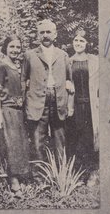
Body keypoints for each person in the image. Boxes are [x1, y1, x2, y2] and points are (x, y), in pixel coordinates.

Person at [21, 19, 74, 165]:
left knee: (60, 139)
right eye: (42, 32)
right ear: (37, 36)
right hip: (37, 101)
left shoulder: (63, 55)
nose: (45, 35)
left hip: (58, 100)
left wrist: (69, 105)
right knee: (38, 140)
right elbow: (23, 80)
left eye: (48, 32)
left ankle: (60, 176)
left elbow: (70, 81)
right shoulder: (29, 55)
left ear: (55, 34)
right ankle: (40, 178)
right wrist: (24, 102)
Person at [0, 36, 30, 187]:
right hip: (7, 110)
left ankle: (21, 176)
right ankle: (13, 179)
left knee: (21, 144)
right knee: (11, 144)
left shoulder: (18, 66)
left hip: (19, 111)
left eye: (17, 47)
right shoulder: (1, 66)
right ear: (5, 48)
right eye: (11, 47)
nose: (15, 50)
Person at [66, 29, 99, 185]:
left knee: (90, 140)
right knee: (75, 139)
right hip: (74, 105)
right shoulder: (68, 60)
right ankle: (78, 173)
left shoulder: (95, 60)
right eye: (76, 40)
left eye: (81, 41)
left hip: (91, 106)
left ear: (87, 43)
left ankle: (92, 173)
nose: (78, 43)